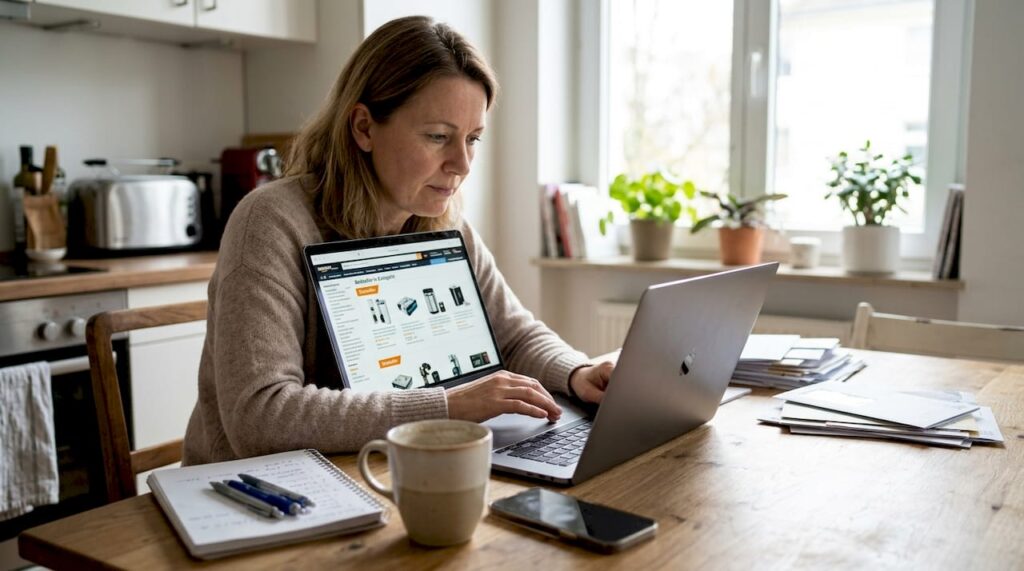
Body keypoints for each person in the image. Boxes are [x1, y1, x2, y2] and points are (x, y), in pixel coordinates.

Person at [183, 15, 613, 465]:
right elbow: (261, 417)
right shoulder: (271, 221)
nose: (462, 164)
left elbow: (515, 337)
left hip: (381, 464)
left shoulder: (443, 220)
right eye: (438, 137)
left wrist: (577, 372)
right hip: (251, 487)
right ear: (364, 127)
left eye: (472, 138)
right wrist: (447, 407)